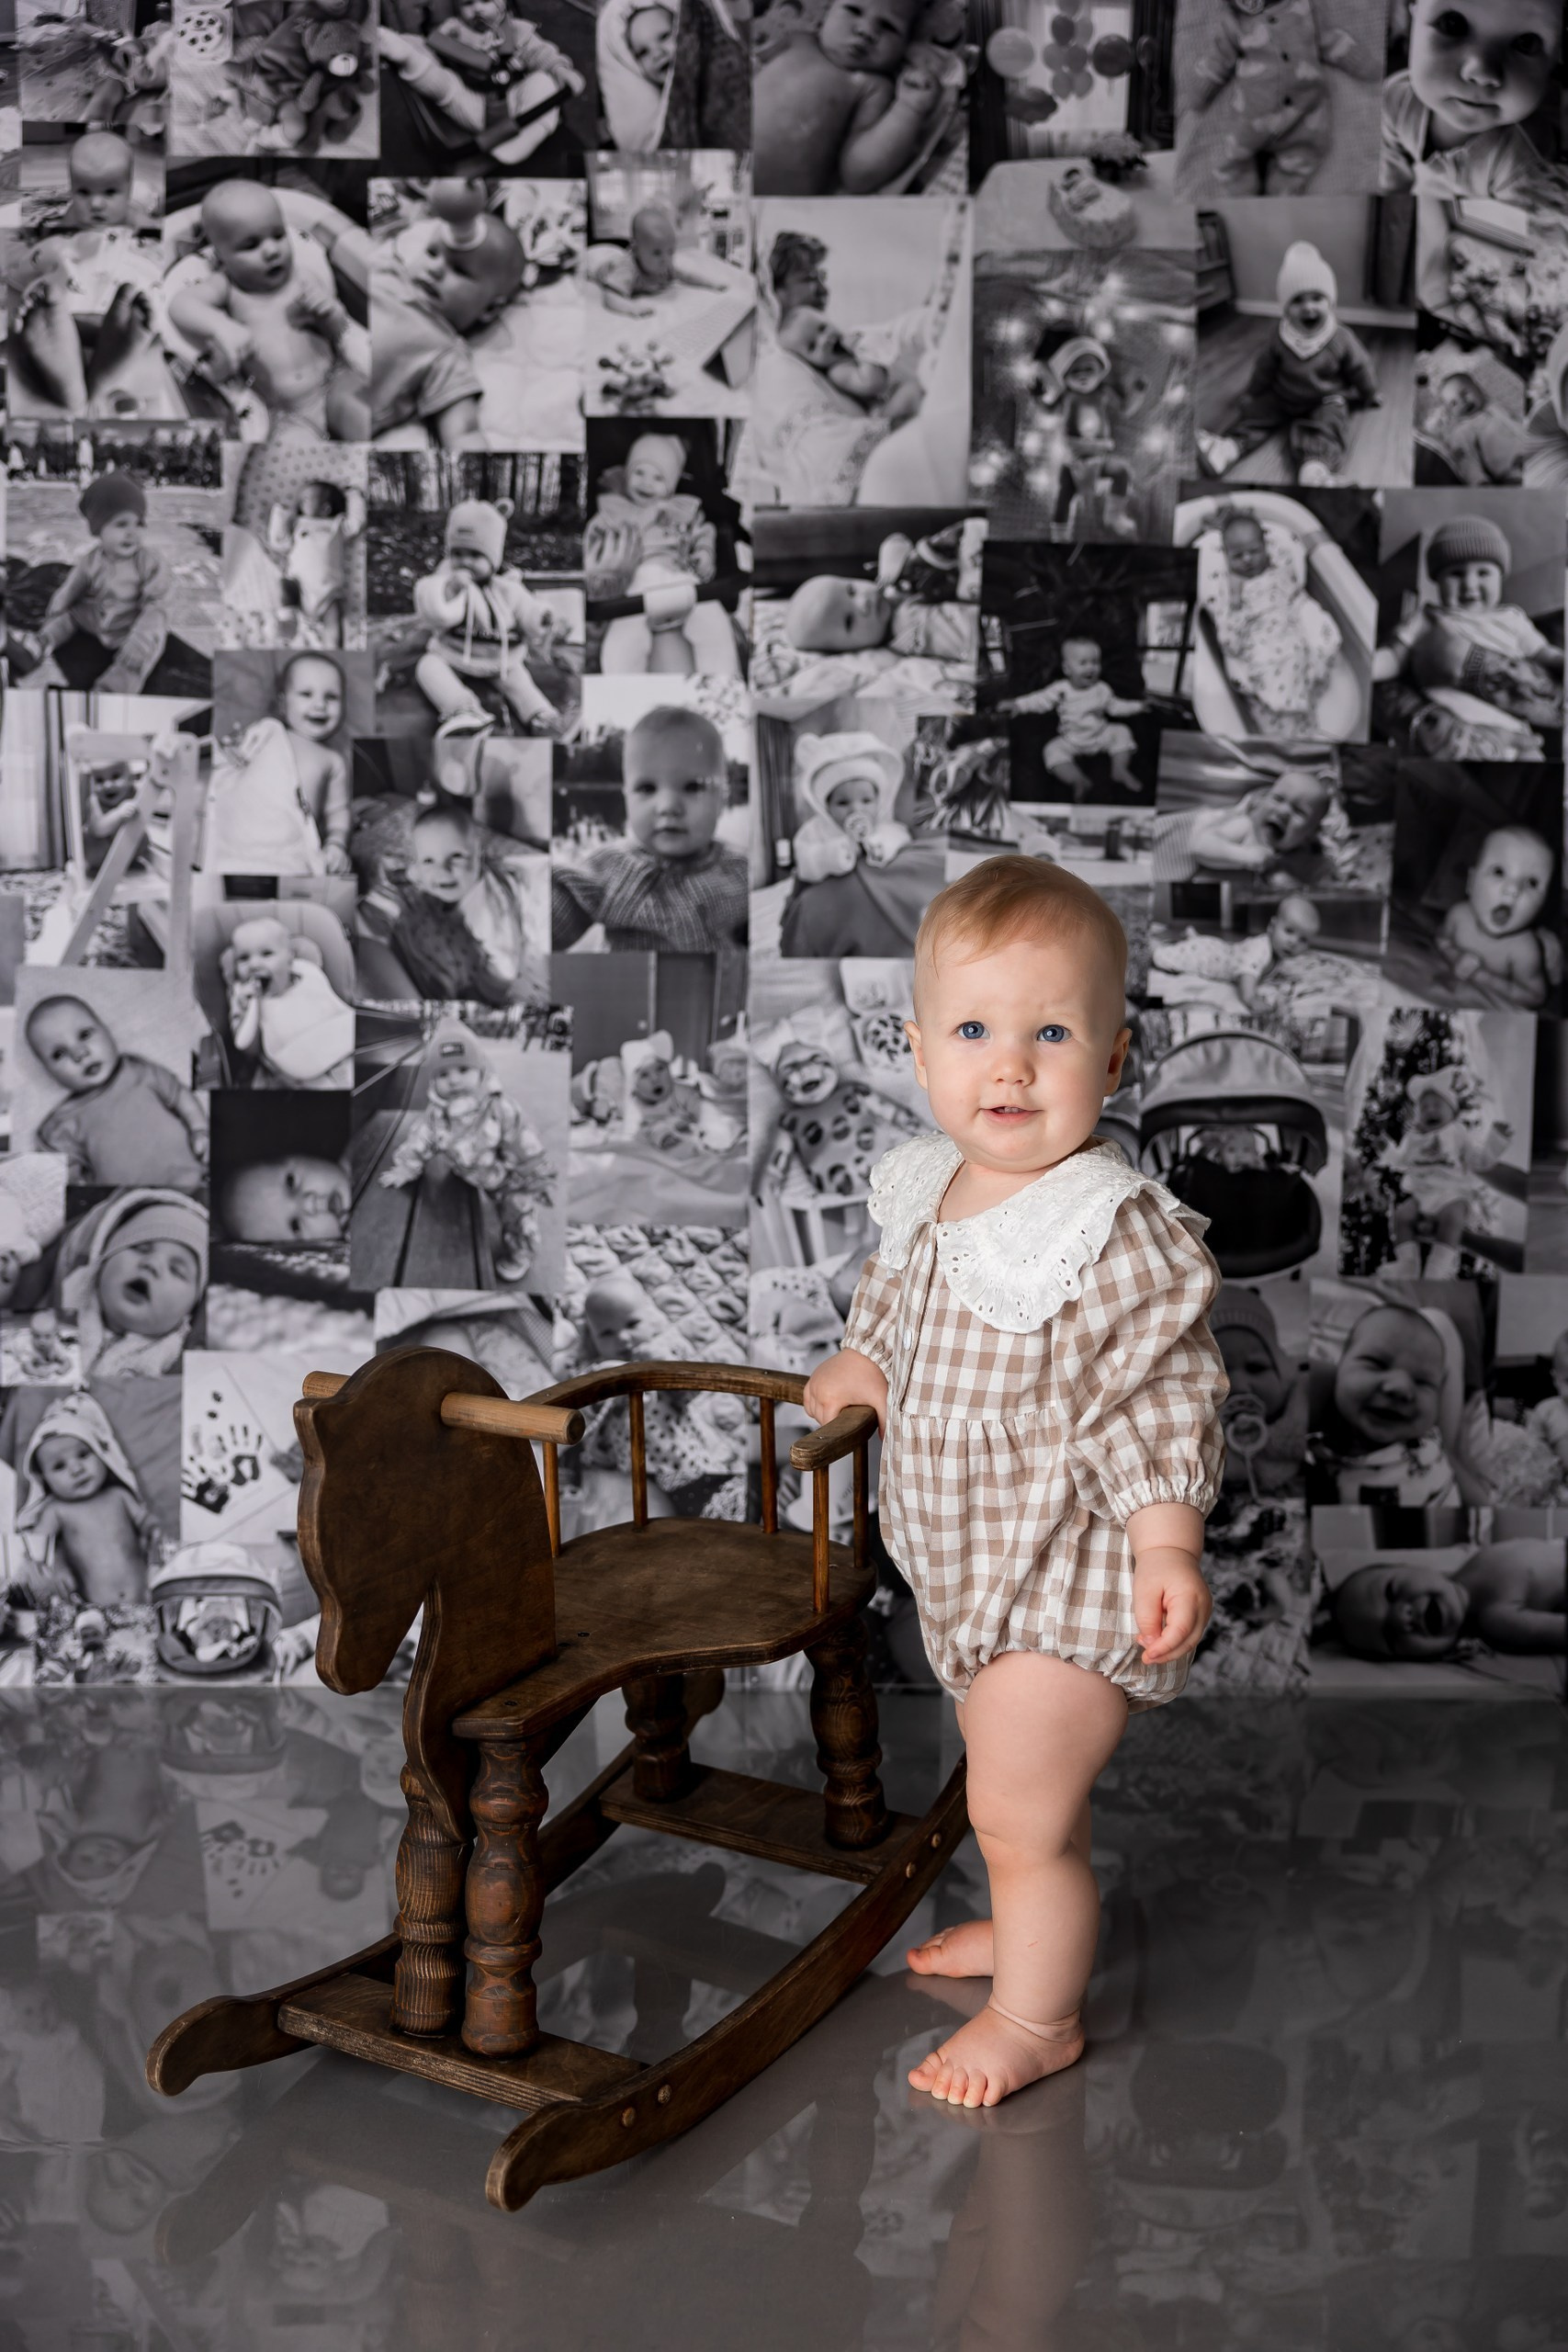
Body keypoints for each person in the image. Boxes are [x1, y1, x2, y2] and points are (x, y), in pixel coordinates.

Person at [802, 854, 1228, 2105]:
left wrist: (1165, 1543)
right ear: (917, 1047)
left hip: (1068, 1574)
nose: (1011, 1068)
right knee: (1025, 1798)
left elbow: (1160, 1394)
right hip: (968, 1574)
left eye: (1052, 1034)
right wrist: (861, 1363)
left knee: (1015, 1807)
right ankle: (1029, 1925)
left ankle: (1039, 2017)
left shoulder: (1112, 1225)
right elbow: (893, 1309)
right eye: (975, 1032)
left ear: (1112, 1059)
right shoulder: (926, 1189)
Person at [167, 182, 369, 441]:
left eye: (278, 235)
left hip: (334, 383)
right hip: (284, 414)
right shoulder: (228, 287)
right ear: (220, 255)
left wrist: (331, 314)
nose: (272, 251)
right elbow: (181, 305)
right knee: (292, 445)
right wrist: (221, 327)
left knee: (362, 410)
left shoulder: (303, 278)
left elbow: (338, 333)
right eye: (251, 245)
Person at [551, 705, 749, 951]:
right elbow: (551, 909)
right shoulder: (612, 870)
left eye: (692, 787)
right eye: (647, 788)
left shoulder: (741, 868)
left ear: (722, 799)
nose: (668, 807)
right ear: (627, 797)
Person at [1373, 514, 1563, 760]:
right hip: (1454, 733)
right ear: (1437, 580)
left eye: (1483, 573)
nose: (1470, 585)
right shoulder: (1427, 617)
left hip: (1516, 731)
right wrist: (1372, 666)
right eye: (1456, 574)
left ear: (1500, 577)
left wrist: (1559, 660)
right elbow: (1395, 658)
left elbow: (1542, 653)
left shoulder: (1512, 618)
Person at [1197, 243, 1381, 490]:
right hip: (1284, 394)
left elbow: (1360, 367)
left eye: (1317, 298)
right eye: (1297, 300)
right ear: (1285, 308)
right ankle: (1228, 449)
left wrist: (1369, 393)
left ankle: (1315, 468)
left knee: (1330, 421)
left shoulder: (1340, 338)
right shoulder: (1281, 337)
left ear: (1331, 303)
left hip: (1324, 398)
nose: (1308, 307)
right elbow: (1265, 367)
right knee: (1256, 414)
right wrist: (1253, 392)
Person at [412, 496, 570, 736]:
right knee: (427, 667)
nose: (464, 562)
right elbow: (433, 610)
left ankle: (541, 717)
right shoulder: (447, 581)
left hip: (499, 660)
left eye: (475, 555)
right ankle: (463, 711)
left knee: (520, 683)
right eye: (457, 553)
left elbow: (527, 611)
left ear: (493, 559)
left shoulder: (507, 589)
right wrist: (450, 590)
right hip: (452, 653)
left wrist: (543, 617)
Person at [752, 0, 946, 194]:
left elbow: (859, 175)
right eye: (854, 10)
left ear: (906, 46)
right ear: (826, 13)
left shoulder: (871, 87)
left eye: (889, 26)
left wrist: (908, 108)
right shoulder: (797, 41)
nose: (866, 31)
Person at [370, 208, 526, 448]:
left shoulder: (446, 354)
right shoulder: (388, 270)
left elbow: (464, 433)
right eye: (432, 253)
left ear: (489, 309)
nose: (435, 268)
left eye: (459, 270)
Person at [1381, 0, 1561, 200]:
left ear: (1557, 56)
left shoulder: (1525, 171)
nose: (1481, 73)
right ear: (1411, 18)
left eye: (1525, 43)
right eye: (1452, 24)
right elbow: (1390, 180)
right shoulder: (1394, 100)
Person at [26, 469, 185, 695]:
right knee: (71, 616)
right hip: (98, 616)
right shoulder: (92, 559)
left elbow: (158, 604)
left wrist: (142, 638)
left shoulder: (149, 562)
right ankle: (41, 643)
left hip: (132, 623)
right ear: (99, 529)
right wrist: (58, 606)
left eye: (139, 523)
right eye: (122, 524)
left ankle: (111, 691)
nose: (132, 533)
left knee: (142, 655)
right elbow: (73, 586)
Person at [27, 992, 206, 1190]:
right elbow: (60, 1179)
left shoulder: (138, 1070)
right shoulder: (62, 1124)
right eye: (59, 1053)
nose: (79, 1054)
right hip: (134, 1200)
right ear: (47, 1070)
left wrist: (199, 1128)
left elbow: (180, 1095)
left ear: (107, 1031)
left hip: (195, 1176)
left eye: (85, 1035)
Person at [1201, 504, 1343, 736]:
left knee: (1304, 659)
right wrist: (1235, 601)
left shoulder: (1277, 569)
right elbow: (1228, 637)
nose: (1247, 559)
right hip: (1261, 648)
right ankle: (1291, 724)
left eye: (1254, 551)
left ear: (1265, 547)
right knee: (1276, 686)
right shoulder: (1228, 589)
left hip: (1291, 637)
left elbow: (1294, 592)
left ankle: (1302, 718)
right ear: (1226, 557)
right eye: (1237, 556)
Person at [208, 651, 353, 876]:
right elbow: (234, 764)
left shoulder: (332, 760)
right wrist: (232, 752)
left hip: (291, 849)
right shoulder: (267, 733)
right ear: (283, 703)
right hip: (243, 835)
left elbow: (338, 812)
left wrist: (336, 844)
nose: (320, 705)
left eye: (331, 697)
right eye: (306, 694)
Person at [12, 1390, 152, 1605]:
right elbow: (39, 1549)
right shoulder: (56, 1510)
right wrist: (58, 1568)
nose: (76, 1469)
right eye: (59, 1466)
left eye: (83, 1455)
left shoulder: (119, 1496)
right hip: (92, 1605)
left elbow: (146, 1522)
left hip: (143, 1598)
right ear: (44, 1479)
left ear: (102, 1454)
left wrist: (154, 1537)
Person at [1332, 1537, 1565, 1659]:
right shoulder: (1496, 1619)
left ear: (1411, 1566)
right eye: (1390, 1637)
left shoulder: (1492, 1614)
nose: (1399, 1618)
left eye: (1390, 1593)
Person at [996, 636, 1147, 797]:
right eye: (1083, 663)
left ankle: (1120, 770)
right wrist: (1018, 705)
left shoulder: (1102, 689)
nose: (1091, 668)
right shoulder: (1061, 689)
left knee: (1122, 732)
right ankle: (1077, 780)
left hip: (1100, 735)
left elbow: (1116, 706)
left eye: (1095, 662)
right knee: (1051, 750)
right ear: (1067, 669)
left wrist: (1138, 706)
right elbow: (1040, 700)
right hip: (1071, 740)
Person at [220, 915, 355, 1091]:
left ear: (290, 959)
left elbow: (337, 1011)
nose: (254, 964)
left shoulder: (308, 973)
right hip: (294, 1067)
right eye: (243, 958)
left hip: (339, 1046)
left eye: (267, 953)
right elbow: (247, 1048)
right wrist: (253, 1006)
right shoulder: (243, 997)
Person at [1437, 822, 1561, 1008]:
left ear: (1542, 904)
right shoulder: (1458, 915)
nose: (1513, 890)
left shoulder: (1525, 949)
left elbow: (1536, 996)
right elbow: (1442, 939)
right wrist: (1454, 956)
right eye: (1499, 872)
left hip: (1542, 961)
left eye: (1532, 883)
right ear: (1471, 882)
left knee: (1554, 962)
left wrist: (1481, 976)